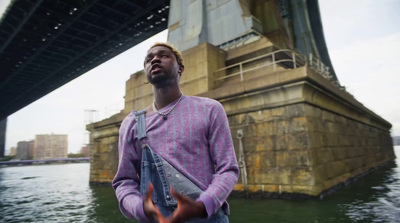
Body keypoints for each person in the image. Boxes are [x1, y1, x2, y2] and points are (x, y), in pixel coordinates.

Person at [112, 42, 239, 223]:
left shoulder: (210, 109)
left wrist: (203, 205)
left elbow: (228, 168)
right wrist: (140, 208)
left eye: (163, 55)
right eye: (149, 59)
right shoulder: (131, 124)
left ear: (180, 68)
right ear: (147, 74)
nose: (155, 59)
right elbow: (124, 181)